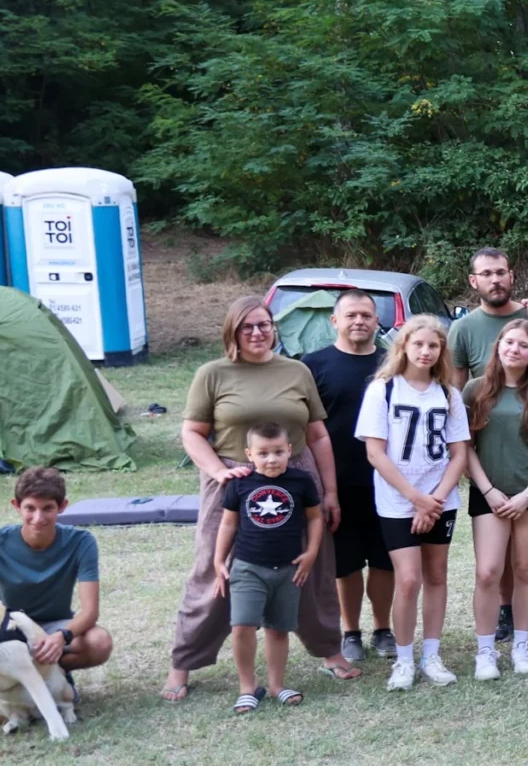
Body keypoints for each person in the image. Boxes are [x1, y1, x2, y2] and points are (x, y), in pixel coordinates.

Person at [163, 298, 360, 703]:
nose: (257, 332)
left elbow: (318, 435)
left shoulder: (296, 370)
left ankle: (329, 651)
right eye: (247, 326)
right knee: (214, 570)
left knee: (313, 567)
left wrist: (331, 492)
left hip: (297, 476)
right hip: (236, 477)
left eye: (264, 324)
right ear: (232, 331)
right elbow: (192, 433)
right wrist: (219, 472)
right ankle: (182, 663)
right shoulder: (212, 374)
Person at [357, 314, 472, 690]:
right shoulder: (383, 389)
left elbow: (459, 454)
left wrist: (435, 499)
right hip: (398, 500)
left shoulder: (448, 393)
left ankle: (432, 655)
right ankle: (404, 659)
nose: (425, 351)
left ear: (442, 351)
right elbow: (376, 453)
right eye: (418, 344)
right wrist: (416, 499)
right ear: (403, 346)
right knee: (407, 580)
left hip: (440, 499)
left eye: (433, 345)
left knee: (436, 576)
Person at [463, 319, 528, 680]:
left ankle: (523, 645)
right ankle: (486, 650)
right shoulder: (475, 390)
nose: (515, 350)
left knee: (525, 569)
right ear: (498, 346)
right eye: (509, 343)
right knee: (488, 571)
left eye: (524, 346)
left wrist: (526, 495)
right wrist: (489, 491)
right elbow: (464, 448)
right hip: (488, 495)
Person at [300, 290, 397, 665]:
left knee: (386, 560)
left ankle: (383, 628)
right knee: (346, 564)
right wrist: (325, 490)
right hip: (337, 483)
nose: (359, 321)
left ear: (377, 321)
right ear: (335, 321)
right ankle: (351, 631)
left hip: (389, 482)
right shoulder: (314, 365)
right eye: (351, 315)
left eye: (367, 315)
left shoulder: (393, 363)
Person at [214, 422, 326, 712]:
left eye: (278, 452)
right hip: (248, 568)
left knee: (278, 629)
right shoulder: (239, 484)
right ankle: (247, 687)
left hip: (289, 569)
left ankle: (276, 685)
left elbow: (314, 518)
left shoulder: (301, 482)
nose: (272, 459)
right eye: (263, 453)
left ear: (289, 450)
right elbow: (228, 523)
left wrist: (312, 552)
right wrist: (218, 560)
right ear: (249, 454)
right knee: (242, 626)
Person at [0, 466, 114, 680]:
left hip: (56, 625)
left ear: (62, 506)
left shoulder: (81, 542)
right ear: (16, 506)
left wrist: (61, 637)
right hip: (10, 626)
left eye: (47, 508)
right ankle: (28, 682)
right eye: (30, 508)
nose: (38, 517)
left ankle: (54, 676)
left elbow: (90, 612)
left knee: (100, 642)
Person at [447, 247, 524, 381]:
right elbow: (456, 392)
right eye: (486, 274)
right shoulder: (462, 329)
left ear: (511, 277)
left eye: (501, 272)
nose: (495, 280)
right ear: (473, 281)